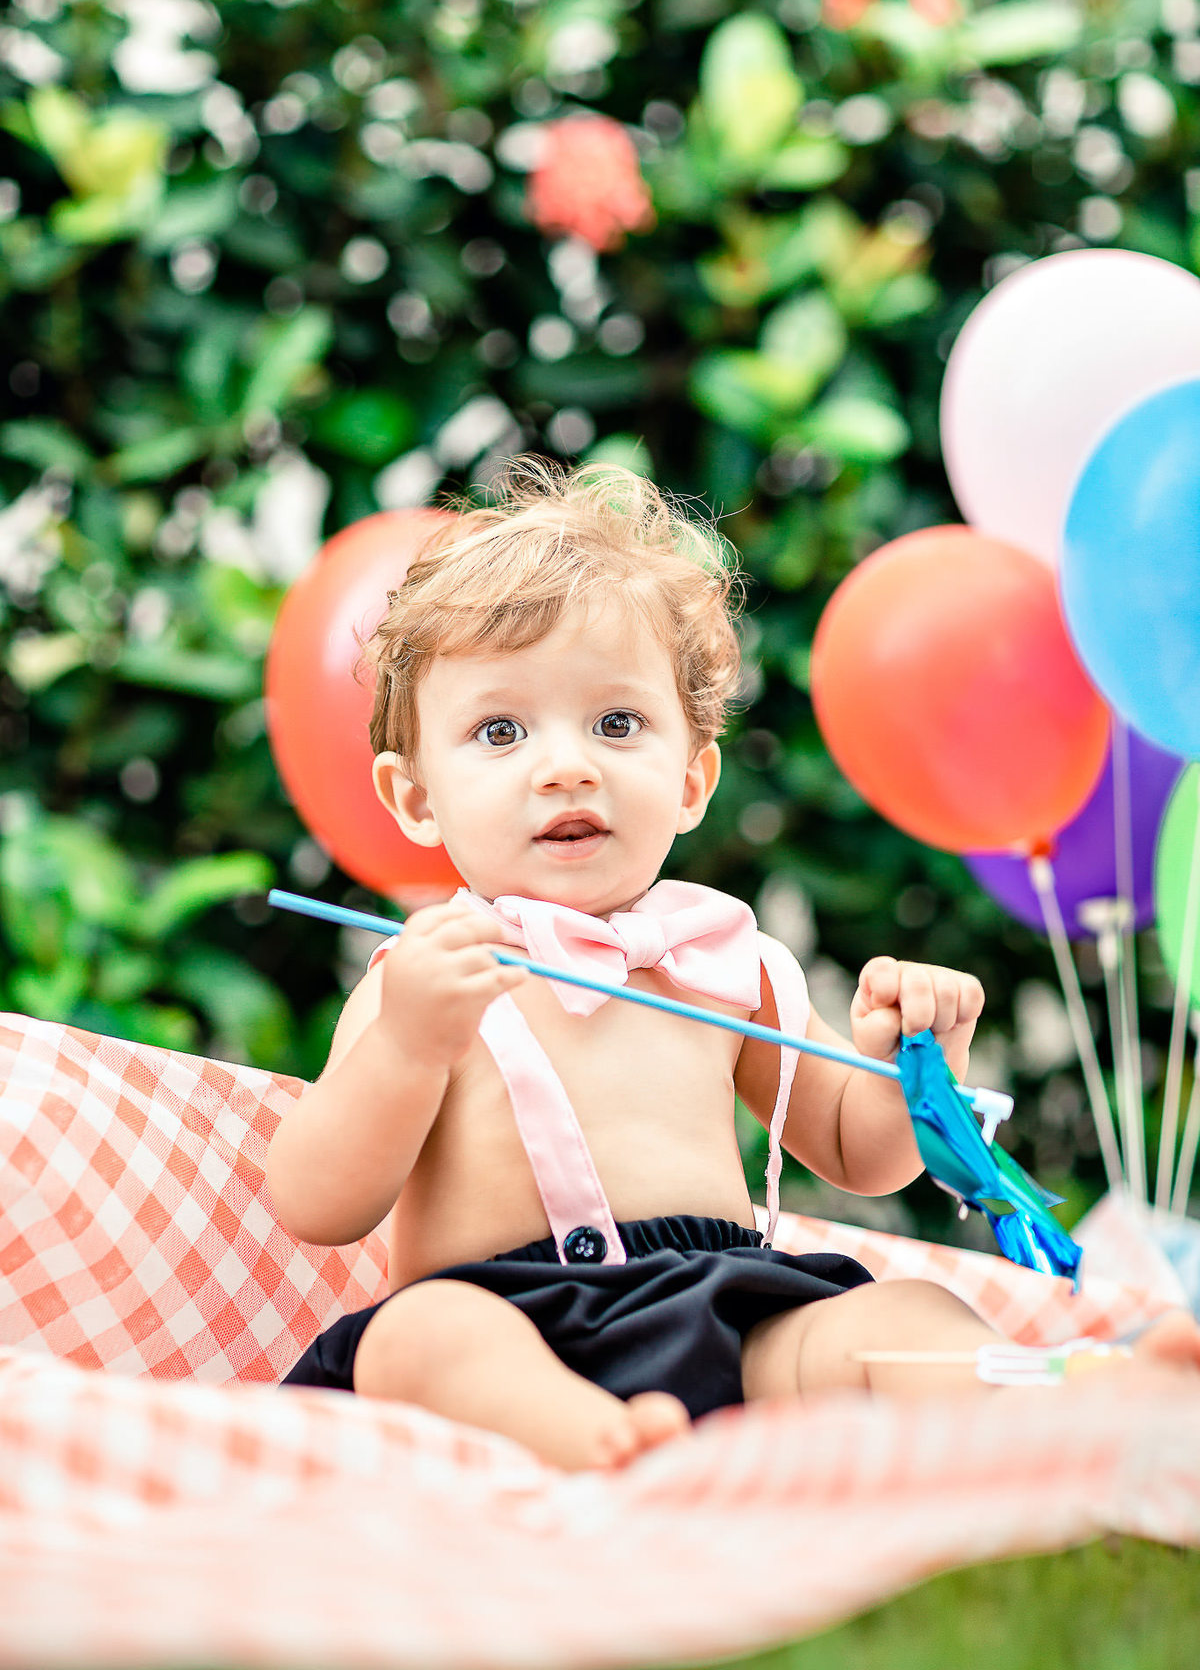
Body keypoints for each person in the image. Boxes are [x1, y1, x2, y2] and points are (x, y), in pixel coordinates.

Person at [268, 460, 1200, 1470]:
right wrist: (409, 1043)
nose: (568, 764)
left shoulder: (727, 961)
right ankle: (597, 1443)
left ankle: (1073, 1409)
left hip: (726, 1315)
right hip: (510, 1318)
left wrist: (916, 1060)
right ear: (414, 800)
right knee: (421, 1336)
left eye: (617, 723)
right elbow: (318, 1205)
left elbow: (862, 1155)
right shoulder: (427, 978)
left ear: (693, 779)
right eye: (500, 730)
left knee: (895, 1319)